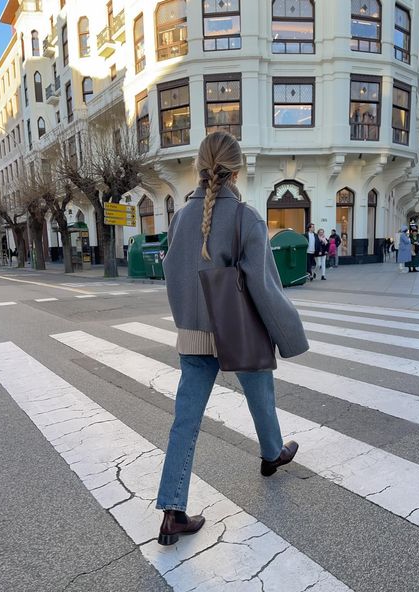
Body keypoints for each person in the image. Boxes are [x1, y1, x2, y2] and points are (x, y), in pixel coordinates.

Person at [156, 131, 309, 546]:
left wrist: (188, 320)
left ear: (198, 168)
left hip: (193, 337)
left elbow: (172, 274)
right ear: (237, 169)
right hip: (237, 334)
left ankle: (172, 511)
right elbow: (265, 287)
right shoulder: (246, 217)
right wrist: (289, 334)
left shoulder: (180, 217)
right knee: (260, 388)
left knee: (184, 421)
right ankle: (271, 453)